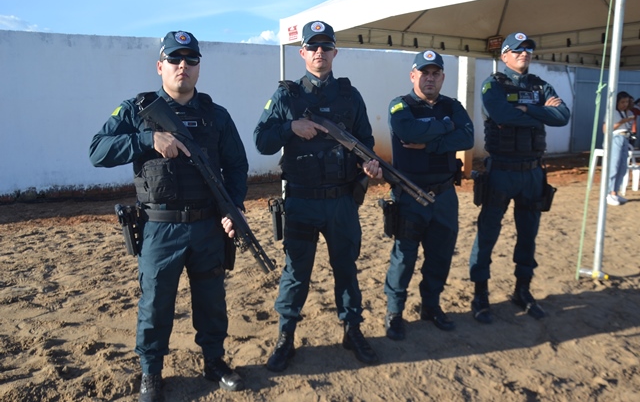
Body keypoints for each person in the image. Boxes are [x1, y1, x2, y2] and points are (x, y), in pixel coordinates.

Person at [89, 31, 247, 401]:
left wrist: (233, 207)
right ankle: (151, 373)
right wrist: (148, 140)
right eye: (174, 59)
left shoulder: (216, 116)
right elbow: (98, 151)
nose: (182, 66)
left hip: (208, 226)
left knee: (212, 300)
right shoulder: (137, 110)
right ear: (160, 66)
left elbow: (237, 166)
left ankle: (214, 362)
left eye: (191, 59)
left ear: (199, 67)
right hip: (160, 228)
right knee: (156, 303)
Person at [254, 20, 382, 372]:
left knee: (346, 268)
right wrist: (289, 127)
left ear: (335, 52)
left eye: (326, 46)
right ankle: (286, 337)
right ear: (303, 53)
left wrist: (369, 163)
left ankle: (352, 329)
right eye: (313, 46)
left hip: (342, 201)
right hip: (301, 201)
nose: (319, 52)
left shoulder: (350, 96)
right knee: (296, 272)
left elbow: (366, 142)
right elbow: (262, 141)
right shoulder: (286, 96)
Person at [468, 32, 570, 324]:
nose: (524, 53)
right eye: (517, 49)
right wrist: (542, 113)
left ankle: (522, 291)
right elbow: (501, 115)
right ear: (504, 56)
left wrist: (526, 109)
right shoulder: (493, 84)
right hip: (501, 172)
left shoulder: (541, 85)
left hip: (533, 173)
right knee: (487, 234)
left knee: (528, 236)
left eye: (528, 49)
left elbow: (563, 116)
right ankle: (480, 293)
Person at [382, 50, 474, 340]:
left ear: (443, 77)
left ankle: (430, 306)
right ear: (413, 76)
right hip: (410, 195)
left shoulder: (452, 105)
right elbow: (408, 132)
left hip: (444, 196)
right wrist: (446, 126)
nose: (430, 78)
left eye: (435, 73)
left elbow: (468, 137)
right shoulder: (401, 105)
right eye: (424, 73)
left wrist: (430, 144)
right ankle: (394, 312)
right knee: (404, 257)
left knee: (440, 255)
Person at [605, 91, 635, 205]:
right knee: (614, 166)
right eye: (622, 102)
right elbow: (606, 129)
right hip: (616, 137)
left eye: (626, 102)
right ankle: (609, 192)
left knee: (622, 167)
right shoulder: (612, 112)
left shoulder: (628, 113)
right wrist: (621, 122)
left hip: (625, 138)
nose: (624, 104)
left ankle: (615, 192)